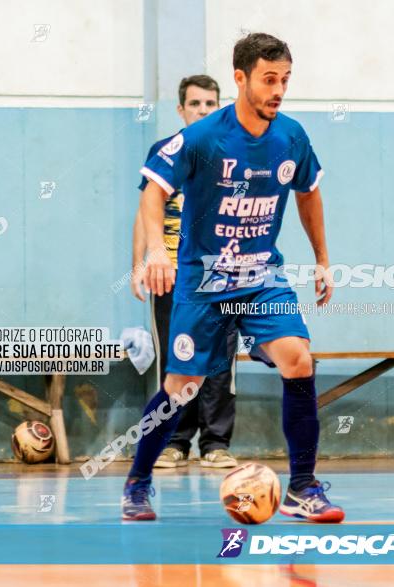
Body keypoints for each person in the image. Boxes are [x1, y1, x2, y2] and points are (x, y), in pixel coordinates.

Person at [122, 32, 344, 524]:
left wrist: (323, 259)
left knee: (299, 360)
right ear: (240, 78)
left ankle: (303, 488)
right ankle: (138, 482)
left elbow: (308, 194)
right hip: (203, 281)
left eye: (285, 79)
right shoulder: (203, 138)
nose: (278, 89)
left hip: (262, 276)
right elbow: (153, 191)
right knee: (182, 386)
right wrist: (156, 250)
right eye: (269, 79)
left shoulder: (292, 137)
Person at [132, 75, 240, 470]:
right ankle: (175, 441)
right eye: (195, 104)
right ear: (181, 109)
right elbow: (146, 212)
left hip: (221, 275)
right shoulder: (165, 152)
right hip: (171, 275)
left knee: (220, 360)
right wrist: (140, 264)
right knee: (176, 361)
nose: (203, 111)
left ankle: (215, 443)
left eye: (210, 104)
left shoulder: (233, 152)